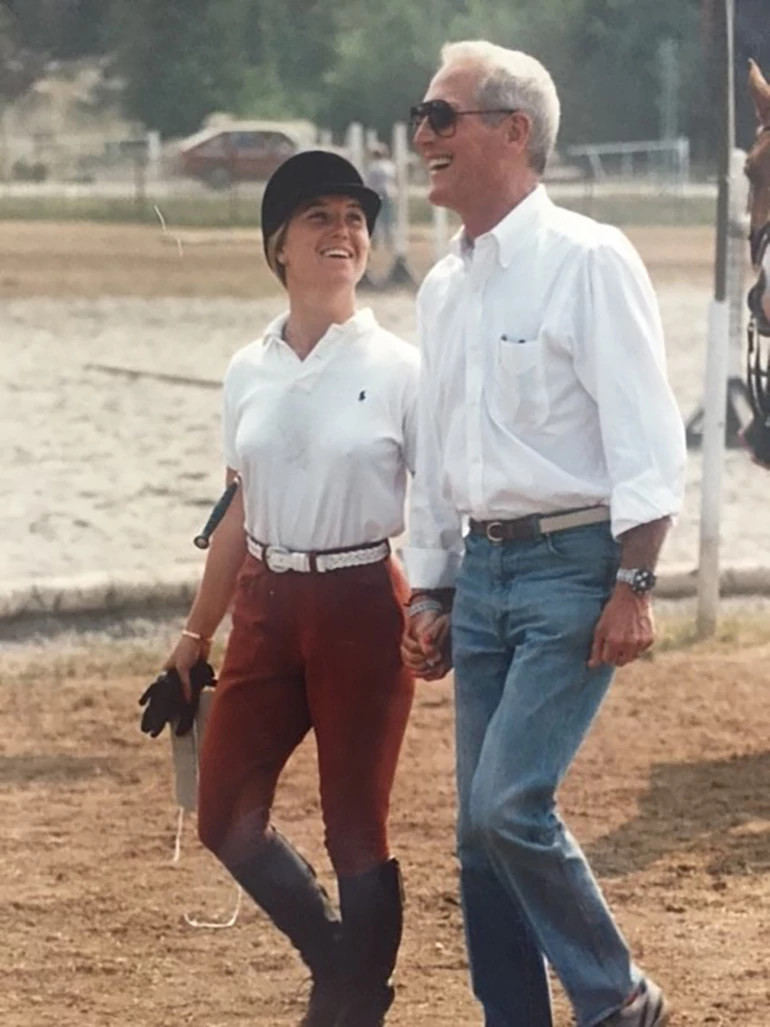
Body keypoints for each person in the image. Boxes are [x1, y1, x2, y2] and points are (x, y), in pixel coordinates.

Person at [401, 41, 686, 1027]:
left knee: (507, 806)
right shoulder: (442, 288)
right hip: (480, 572)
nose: (422, 135)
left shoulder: (589, 260)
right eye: (420, 117)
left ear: (513, 131)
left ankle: (616, 998)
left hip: (574, 567)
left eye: (442, 116)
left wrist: (634, 584)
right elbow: (440, 452)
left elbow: (646, 437)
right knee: (475, 838)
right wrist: (431, 588)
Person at [163, 150, 418, 1027]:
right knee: (224, 814)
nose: (343, 232)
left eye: (355, 219)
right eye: (320, 217)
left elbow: (443, 504)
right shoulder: (248, 368)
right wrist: (194, 636)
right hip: (267, 605)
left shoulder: (402, 367)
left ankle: (352, 1005)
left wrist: (437, 601)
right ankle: (343, 968)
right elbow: (236, 510)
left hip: (362, 603)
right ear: (279, 244)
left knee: (355, 827)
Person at [365, 143, 396, 250]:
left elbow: (369, 182)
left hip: (376, 193)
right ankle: (389, 240)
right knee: (388, 218)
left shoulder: (373, 167)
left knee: (375, 218)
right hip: (388, 193)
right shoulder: (390, 166)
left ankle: (376, 240)